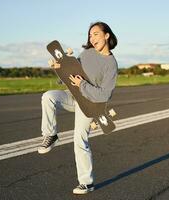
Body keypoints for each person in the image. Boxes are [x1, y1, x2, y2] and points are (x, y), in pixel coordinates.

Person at [38, 21, 118, 195]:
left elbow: (105, 95)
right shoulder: (87, 53)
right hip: (72, 96)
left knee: (79, 140)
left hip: (89, 104)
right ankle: (51, 135)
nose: (92, 37)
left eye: (95, 33)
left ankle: (86, 183)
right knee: (48, 96)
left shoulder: (111, 64)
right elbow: (70, 74)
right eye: (90, 35)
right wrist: (59, 70)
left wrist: (82, 85)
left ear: (107, 35)